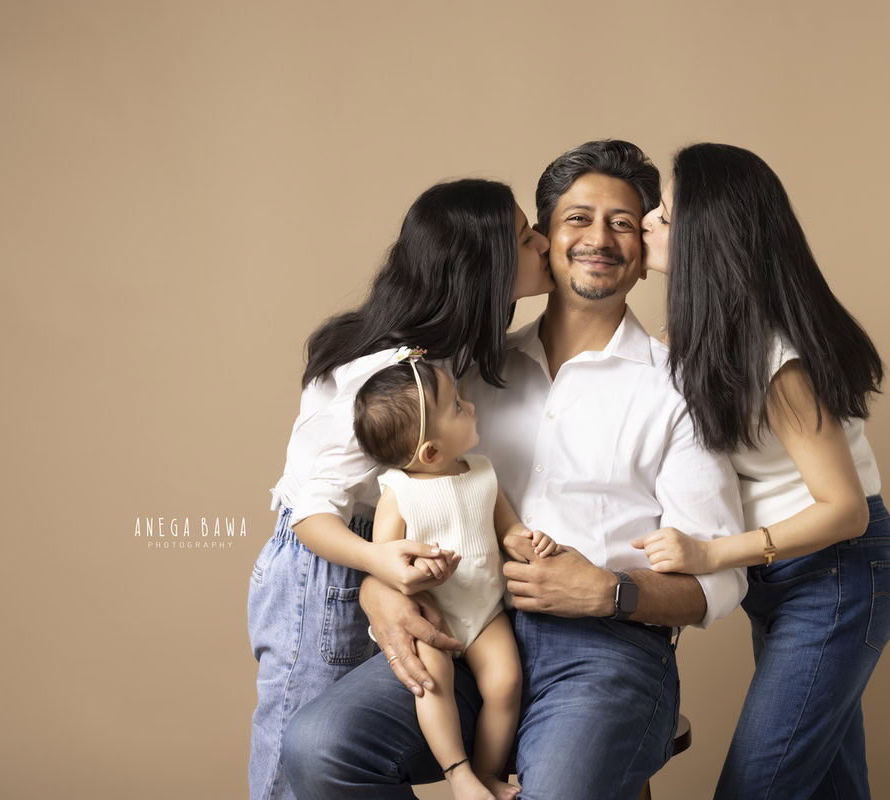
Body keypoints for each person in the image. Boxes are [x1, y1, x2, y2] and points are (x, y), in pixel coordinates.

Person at [280, 140, 748, 800]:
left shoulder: (679, 391)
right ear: (542, 244)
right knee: (321, 748)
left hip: (605, 656)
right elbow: (401, 503)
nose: (599, 238)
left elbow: (722, 582)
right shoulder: (464, 377)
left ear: (644, 258)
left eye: (622, 222)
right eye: (577, 218)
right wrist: (378, 588)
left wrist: (611, 592)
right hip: (464, 635)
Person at [247, 178, 553, 800]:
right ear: (481, 270)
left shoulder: (450, 358)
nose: (544, 243)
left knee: (358, 754)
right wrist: (375, 568)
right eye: (525, 238)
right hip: (326, 570)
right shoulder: (374, 373)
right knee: (296, 770)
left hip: (405, 561)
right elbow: (307, 508)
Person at [634, 142, 890, 799]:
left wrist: (710, 553)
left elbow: (846, 509)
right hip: (780, 576)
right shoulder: (696, 341)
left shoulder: (774, 356)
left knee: (759, 787)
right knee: (832, 786)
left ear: (707, 239)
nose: (644, 221)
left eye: (664, 218)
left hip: (836, 573)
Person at [355, 352, 560, 800]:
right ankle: (458, 772)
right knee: (433, 683)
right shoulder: (400, 492)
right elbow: (386, 564)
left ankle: (487, 774)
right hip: (432, 618)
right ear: (431, 451)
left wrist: (530, 541)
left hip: (484, 612)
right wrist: (419, 569)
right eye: (458, 407)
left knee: (505, 683)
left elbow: (508, 529)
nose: (471, 406)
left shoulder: (483, 472)